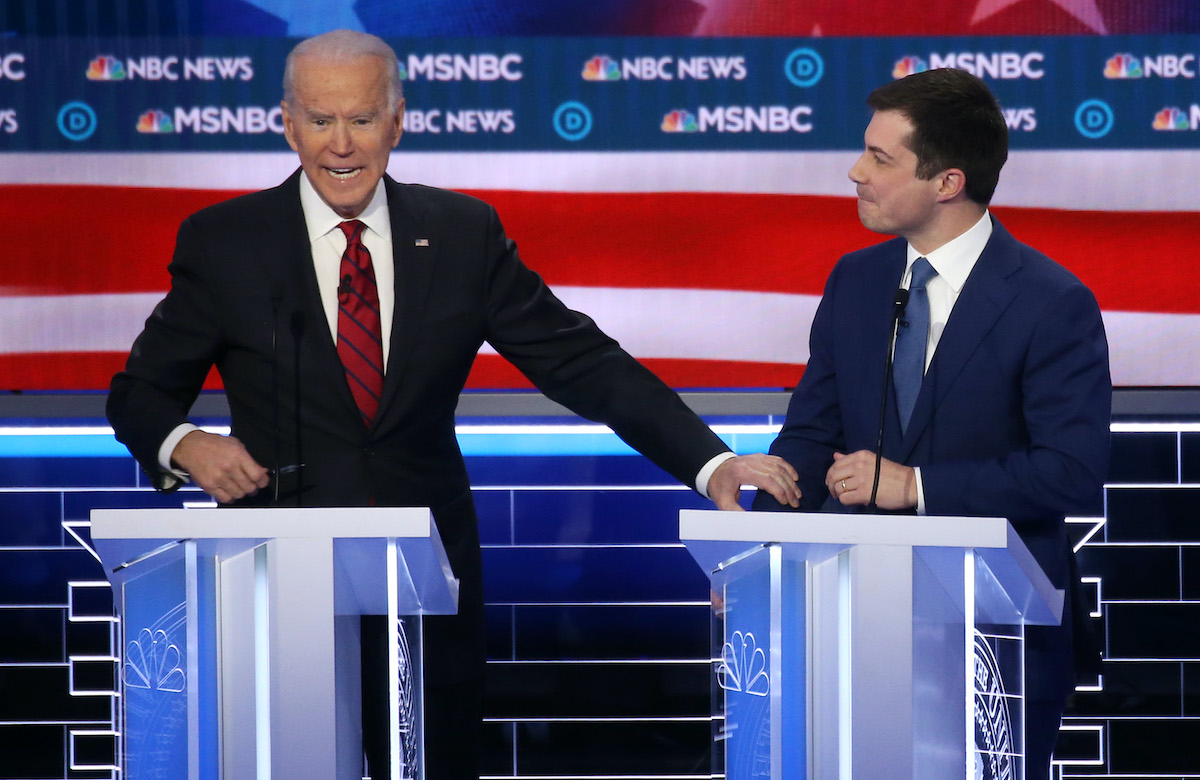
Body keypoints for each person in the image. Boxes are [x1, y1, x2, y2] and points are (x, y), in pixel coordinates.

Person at [106, 29, 799, 780]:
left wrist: (710, 461)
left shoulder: (462, 232)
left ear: (398, 123)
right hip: (277, 576)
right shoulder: (226, 241)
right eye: (320, 120)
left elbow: (583, 362)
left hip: (426, 581)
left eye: (363, 120)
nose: (341, 145)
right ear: (287, 123)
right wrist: (187, 445)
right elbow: (139, 394)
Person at [751, 68, 1111, 779]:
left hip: (996, 635)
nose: (855, 173)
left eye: (880, 160)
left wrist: (915, 487)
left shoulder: (1052, 301)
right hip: (849, 621)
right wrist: (758, 546)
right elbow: (810, 433)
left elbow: (1070, 473)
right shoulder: (854, 281)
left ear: (946, 182)